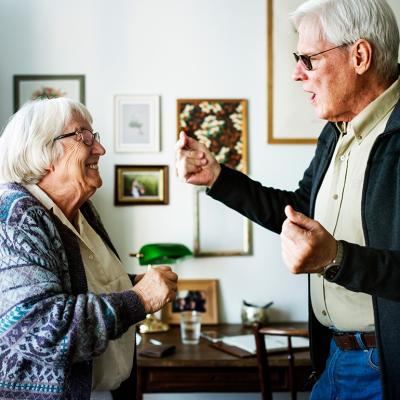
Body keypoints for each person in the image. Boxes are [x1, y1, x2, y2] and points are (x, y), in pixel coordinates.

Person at [175, 0, 400, 398]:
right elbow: (296, 209)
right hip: (332, 356)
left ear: (360, 56)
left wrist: (336, 259)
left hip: (383, 370)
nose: (297, 74)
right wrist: (217, 178)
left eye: (308, 59)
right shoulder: (335, 131)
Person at [0, 97, 178, 400]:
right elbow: (43, 330)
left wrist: (130, 283)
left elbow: (79, 285)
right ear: (44, 151)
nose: (100, 149)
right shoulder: (16, 217)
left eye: (94, 136)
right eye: (82, 136)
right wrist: (139, 299)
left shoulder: (82, 210)